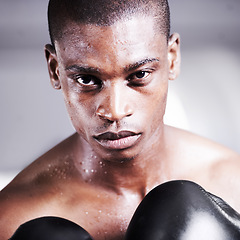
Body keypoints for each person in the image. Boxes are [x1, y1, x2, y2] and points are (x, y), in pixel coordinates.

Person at [1, 0, 240, 239]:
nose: (115, 111)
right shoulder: (11, 219)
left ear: (172, 58)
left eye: (139, 75)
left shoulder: (233, 185)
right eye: (86, 79)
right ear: (55, 69)